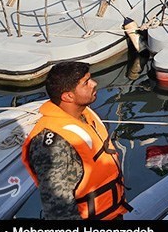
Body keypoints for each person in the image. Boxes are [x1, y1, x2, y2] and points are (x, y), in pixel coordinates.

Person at [21, 62, 131, 220]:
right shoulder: (53, 144)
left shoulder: (85, 115)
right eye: (86, 83)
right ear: (68, 96)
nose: (94, 84)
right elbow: (58, 209)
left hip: (112, 212)